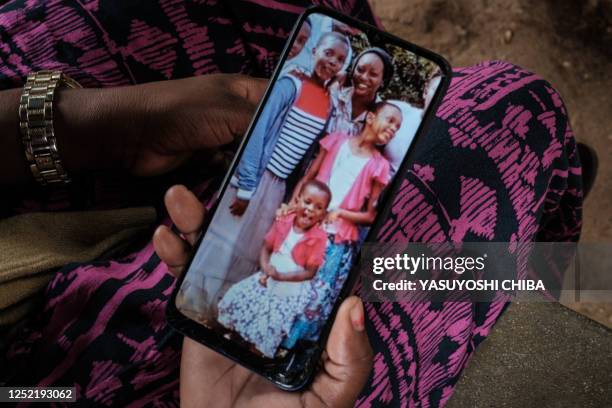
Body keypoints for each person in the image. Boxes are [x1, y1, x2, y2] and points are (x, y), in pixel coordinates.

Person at [0, 1, 583, 406]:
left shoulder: (349, 129)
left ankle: (542, 240)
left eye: (372, 84)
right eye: (364, 82)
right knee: (502, 123)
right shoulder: (335, 135)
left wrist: (94, 124)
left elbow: (332, 180)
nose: (369, 103)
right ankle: (543, 252)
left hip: (327, 229)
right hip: (50, 379)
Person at [177, 31, 350, 320]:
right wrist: (246, 187)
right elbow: (258, 133)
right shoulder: (290, 84)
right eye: (328, 53)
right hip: (255, 178)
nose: (332, 62)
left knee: (249, 249)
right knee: (223, 240)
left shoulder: (329, 104)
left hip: (277, 187)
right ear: (316, 50)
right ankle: (192, 303)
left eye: (340, 59)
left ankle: (220, 311)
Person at [283, 101, 402, 348]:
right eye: (390, 120)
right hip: (305, 226)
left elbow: (370, 216)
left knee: (313, 300)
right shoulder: (336, 140)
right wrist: (292, 207)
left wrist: (341, 213)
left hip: (335, 241)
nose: (393, 129)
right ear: (370, 117)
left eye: (397, 127)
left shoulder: (379, 167)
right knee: (283, 281)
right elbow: (309, 177)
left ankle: (290, 349)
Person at [217, 180, 330, 358]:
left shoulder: (319, 238)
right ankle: (234, 339)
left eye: (318, 207)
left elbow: (310, 272)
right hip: (268, 276)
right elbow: (267, 247)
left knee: (268, 322)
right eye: (307, 202)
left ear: (323, 214)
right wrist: (265, 266)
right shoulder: (284, 220)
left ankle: (254, 354)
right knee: (242, 298)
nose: (310, 209)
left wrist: (281, 276)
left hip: (289, 288)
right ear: (298, 199)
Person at [328, 47, 395, 135]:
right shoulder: (335, 93)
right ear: (352, 70)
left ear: (383, 81)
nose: (364, 77)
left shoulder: (381, 116)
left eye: (373, 74)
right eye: (360, 70)